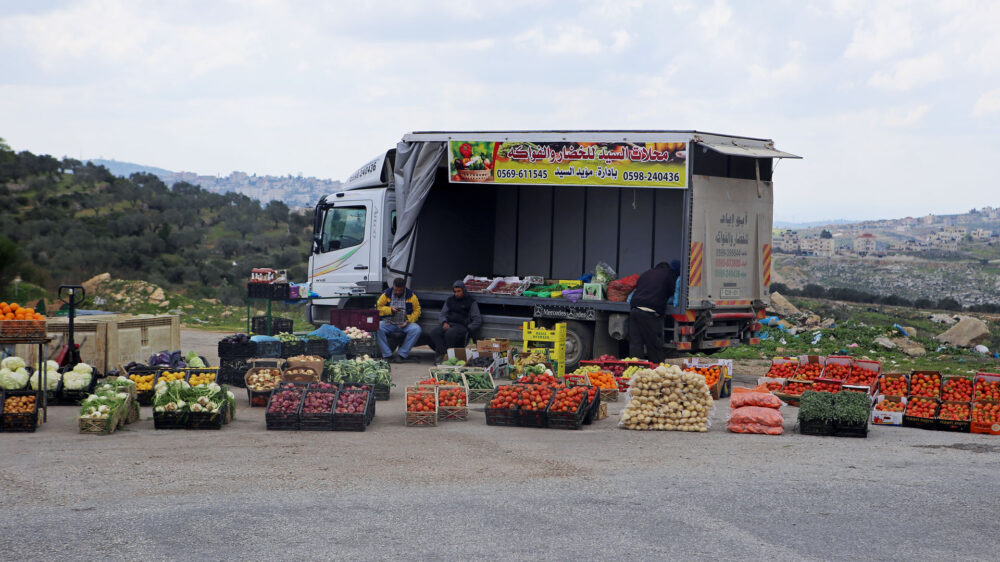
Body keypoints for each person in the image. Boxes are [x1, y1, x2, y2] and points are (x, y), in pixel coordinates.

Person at [628, 261, 680, 364]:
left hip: (635, 309)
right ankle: (657, 369)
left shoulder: (646, 273)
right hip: (650, 312)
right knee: (654, 345)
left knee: (636, 343)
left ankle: (636, 368)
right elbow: (674, 292)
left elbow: (638, 289)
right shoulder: (670, 274)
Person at [429, 280, 482, 363]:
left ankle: (448, 356)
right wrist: (444, 322)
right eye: (455, 291)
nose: (456, 294)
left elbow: (477, 319)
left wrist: (468, 329)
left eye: (458, 291)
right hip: (449, 323)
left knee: (450, 334)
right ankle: (443, 354)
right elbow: (442, 314)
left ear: (463, 290)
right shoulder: (450, 300)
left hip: (461, 326)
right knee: (434, 332)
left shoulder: (471, 302)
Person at [375, 277, 422, 363]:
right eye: (396, 290)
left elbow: (417, 310)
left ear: (404, 288)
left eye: (400, 290)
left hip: (405, 324)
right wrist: (389, 309)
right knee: (377, 327)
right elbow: (378, 307)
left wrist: (407, 320)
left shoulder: (411, 296)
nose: (398, 292)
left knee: (417, 329)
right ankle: (387, 355)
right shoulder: (386, 294)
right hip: (389, 322)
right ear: (393, 287)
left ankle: (402, 354)